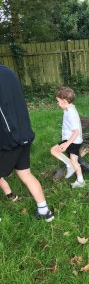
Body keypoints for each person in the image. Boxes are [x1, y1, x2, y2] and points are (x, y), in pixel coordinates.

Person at [0, 64, 54, 222]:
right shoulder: (9, 71)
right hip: (24, 134)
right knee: (25, 173)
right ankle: (44, 211)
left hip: (8, 139)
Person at [51, 87, 85, 188]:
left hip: (72, 140)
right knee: (74, 161)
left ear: (65, 101)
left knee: (54, 151)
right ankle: (80, 181)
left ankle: (70, 166)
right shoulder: (69, 108)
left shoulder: (71, 113)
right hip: (73, 139)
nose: (57, 103)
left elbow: (76, 132)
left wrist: (67, 143)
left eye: (58, 101)